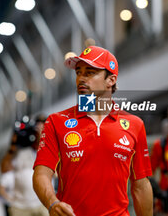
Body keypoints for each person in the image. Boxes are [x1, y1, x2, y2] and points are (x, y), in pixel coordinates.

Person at [33, 46, 153, 216]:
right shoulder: (56, 121)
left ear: (110, 80)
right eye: (78, 72)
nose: (81, 78)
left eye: (89, 72)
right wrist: (52, 204)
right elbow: (41, 174)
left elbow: (141, 185)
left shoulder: (135, 125)